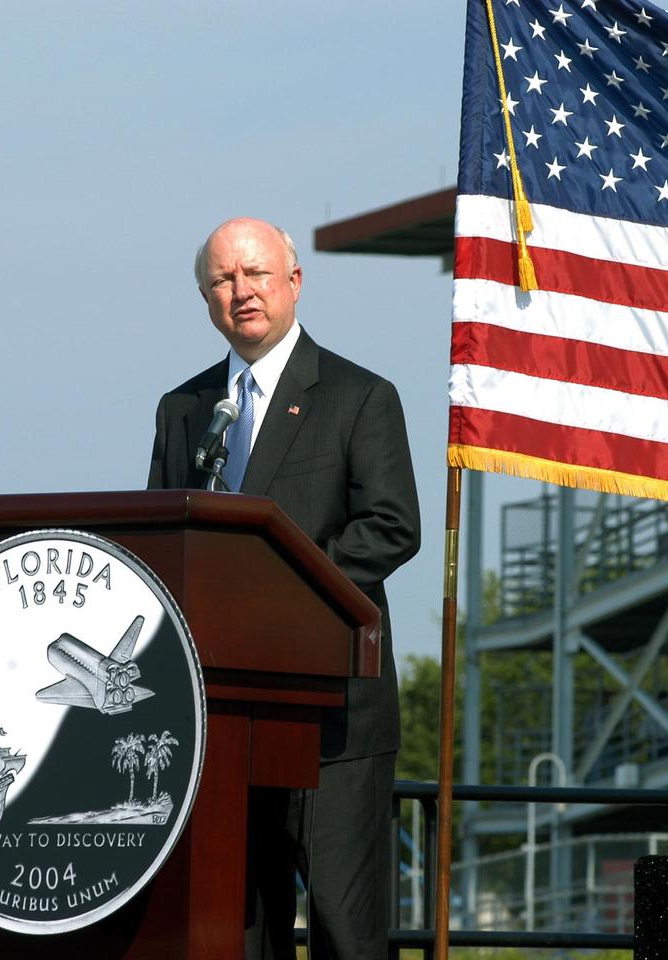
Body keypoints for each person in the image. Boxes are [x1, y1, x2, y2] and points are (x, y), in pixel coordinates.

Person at [146, 217, 421, 959]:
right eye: (223, 279)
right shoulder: (183, 409)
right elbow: (161, 546)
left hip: (335, 717)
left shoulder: (360, 396)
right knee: (239, 932)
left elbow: (393, 526)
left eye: (256, 274)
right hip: (224, 721)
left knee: (345, 932)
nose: (242, 291)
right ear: (206, 299)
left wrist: (281, 592)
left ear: (294, 283)